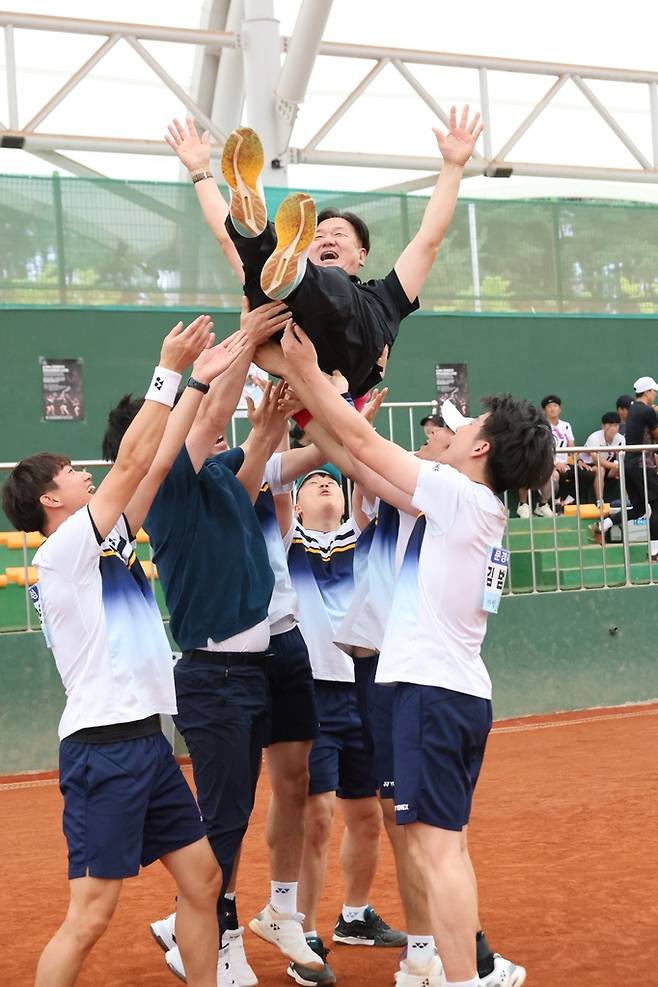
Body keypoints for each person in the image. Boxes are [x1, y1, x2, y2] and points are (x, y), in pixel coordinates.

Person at [278, 320, 553, 987]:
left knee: (437, 851)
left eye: (465, 426)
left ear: (480, 446)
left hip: (431, 693)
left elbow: (368, 442)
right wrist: (311, 405)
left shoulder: (460, 496)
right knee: (442, 847)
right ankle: (464, 973)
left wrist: (308, 370)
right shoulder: (469, 507)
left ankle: (463, 978)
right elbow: (362, 459)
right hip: (440, 692)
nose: (450, 433)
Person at [2, 316, 246, 987]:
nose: (87, 473)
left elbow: (159, 461)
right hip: (103, 750)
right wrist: (170, 369)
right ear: (52, 499)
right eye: (74, 472)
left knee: (202, 879)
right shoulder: (62, 552)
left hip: (146, 741)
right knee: (90, 914)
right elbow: (136, 459)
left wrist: (200, 382)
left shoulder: (103, 538)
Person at [102, 306, 326, 985]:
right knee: (221, 822)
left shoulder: (216, 475)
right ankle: (211, 939)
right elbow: (199, 421)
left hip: (249, 671)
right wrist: (240, 347)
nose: (212, 425)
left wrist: (273, 422)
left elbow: (251, 461)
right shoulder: (161, 483)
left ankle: (202, 925)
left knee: (230, 815)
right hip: (215, 677)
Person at [165, 107, 483, 396]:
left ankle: (293, 270)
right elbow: (226, 240)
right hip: (287, 319)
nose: (326, 239)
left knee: (328, 283)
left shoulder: (385, 297)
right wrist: (200, 171)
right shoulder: (276, 279)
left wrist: (454, 165)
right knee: (255, 259)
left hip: (353, 349)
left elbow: (428, 241)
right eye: (316, 236)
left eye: (338, 234)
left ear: (361, 255)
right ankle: (254, 228)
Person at [283, 463, 405, 986]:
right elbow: (281, 477)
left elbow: (362, 473)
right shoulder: (287, 540)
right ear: (298, 500)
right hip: (313, 690)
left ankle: (354, 916)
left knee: (370, 816)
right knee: (317, 821)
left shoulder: (363, 534)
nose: (324, 482)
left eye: (331, 478)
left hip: (369, 685)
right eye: (312, 481)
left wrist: (352, 425)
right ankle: (304, 935)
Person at [592, 376, 658, 559]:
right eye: (654, 391)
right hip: (642, 464)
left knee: (638, 508)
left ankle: (603, 524)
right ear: (648, 392)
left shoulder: (634, 410)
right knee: (657, 505)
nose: (655, 395)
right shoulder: (647, 412)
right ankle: (655, 552)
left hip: (629, 464)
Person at [579, 412, 625, 503]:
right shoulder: (594, 437)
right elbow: (596, 460)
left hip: (609, 465)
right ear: (603, 426)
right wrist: (615, 466)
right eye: (610, 425)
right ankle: (600, 502)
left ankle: (627, 501)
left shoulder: (621, 439)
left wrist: (617, 466)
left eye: (616, 425)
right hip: (588, 465)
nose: (613, 428)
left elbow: (620, 458)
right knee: (601, 469)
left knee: (624, 469)